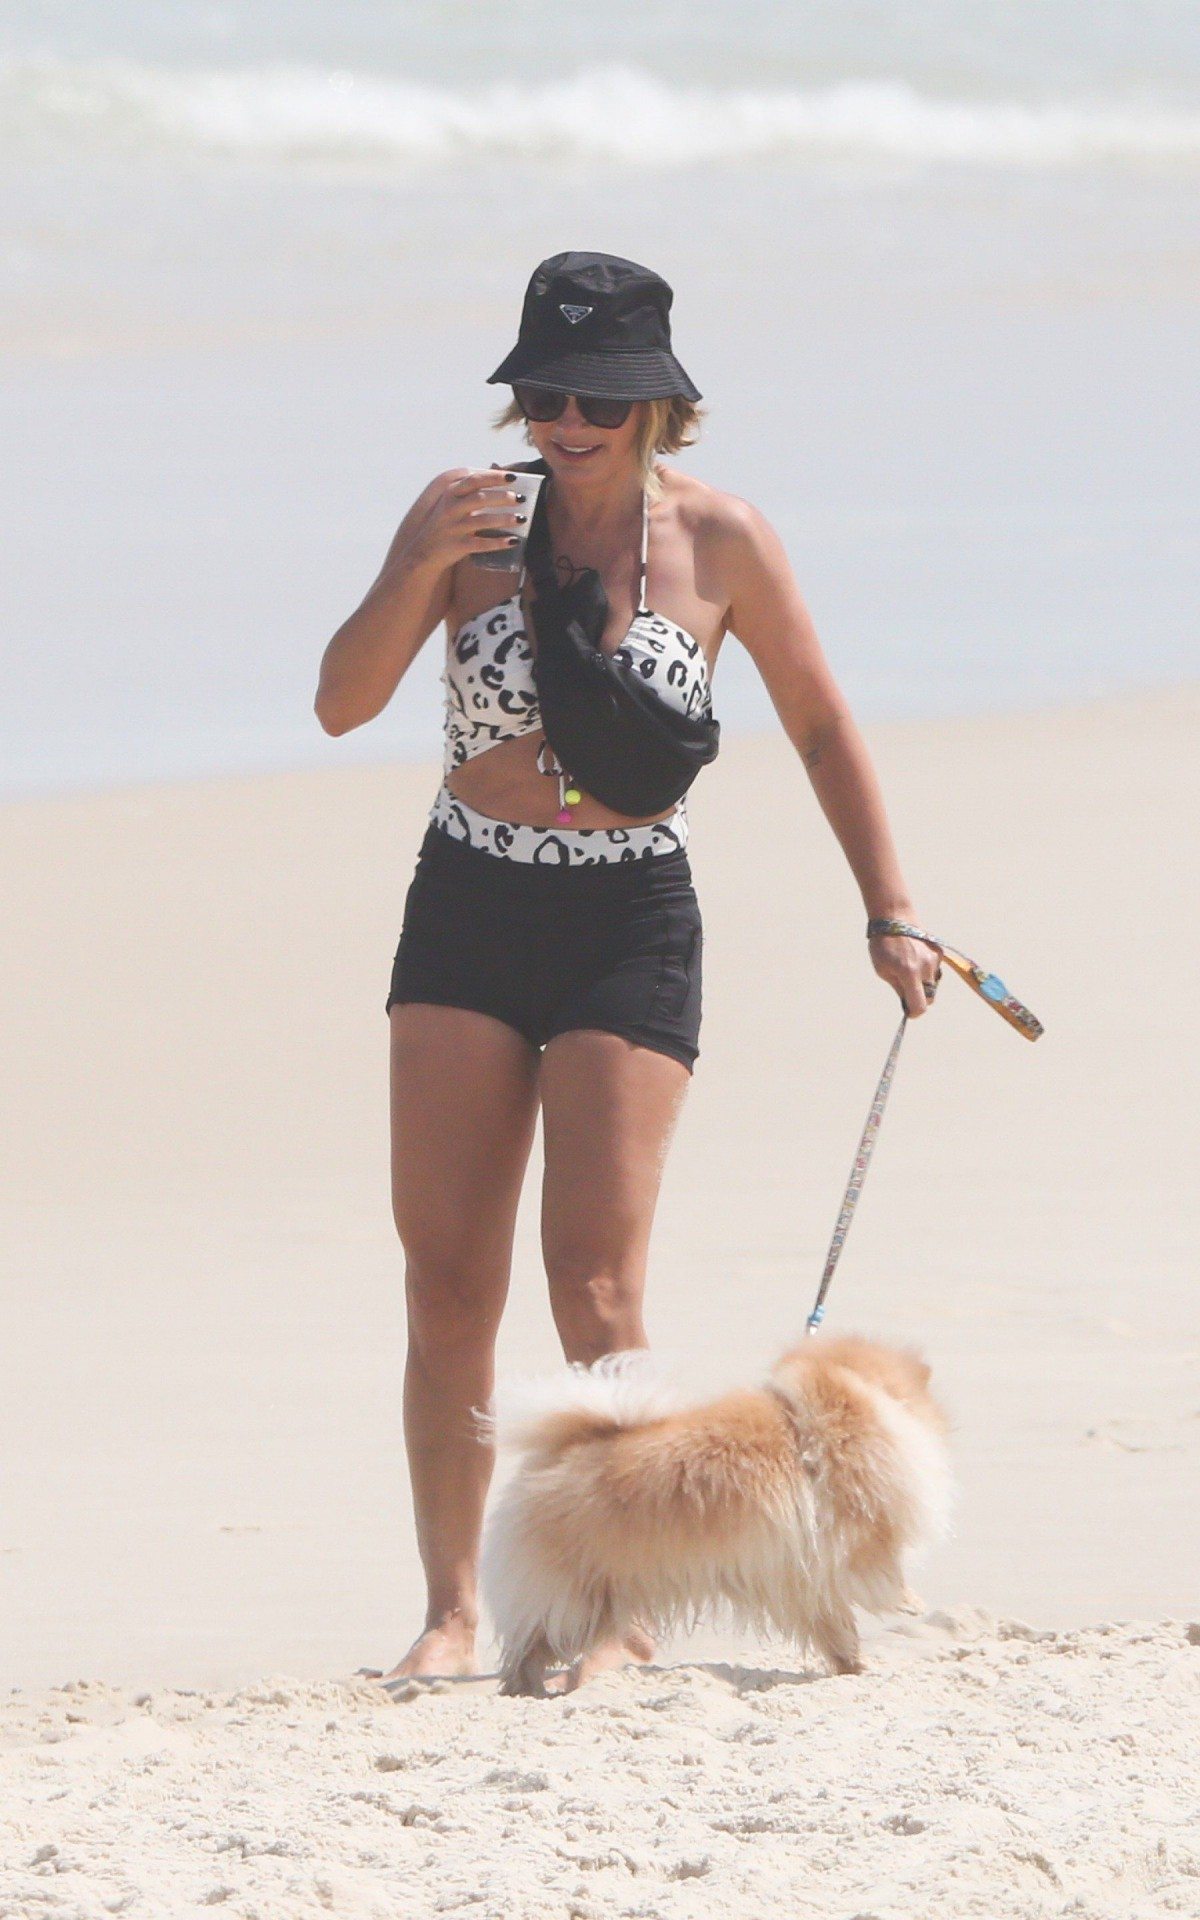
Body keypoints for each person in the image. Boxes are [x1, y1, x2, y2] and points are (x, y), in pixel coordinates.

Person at [314, 251, 940, 1686]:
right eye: (541, 390)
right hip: (467, 904)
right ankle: (457, 1611)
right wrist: (415, 560)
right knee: (447, 1287)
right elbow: (341, 703)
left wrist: (889, 909)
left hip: (629, 920)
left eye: (599, 393)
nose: (567, 418)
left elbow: (824, 725)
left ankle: (619, 1609)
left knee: (596, 1287)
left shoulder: (721, 541)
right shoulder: (466, 529)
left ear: (661, 402)